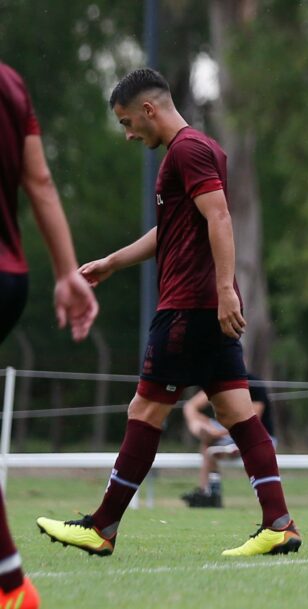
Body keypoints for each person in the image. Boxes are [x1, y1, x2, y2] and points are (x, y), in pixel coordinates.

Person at [35, 68, 300, 558]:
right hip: (203, 306)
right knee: (238, 414)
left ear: (149, 109)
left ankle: (103, 526)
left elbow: (219, 216)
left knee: (145, 411)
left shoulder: (187, 150)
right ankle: (279, 523)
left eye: (127, 122)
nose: (129, 134)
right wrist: (114, 262)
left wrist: (225, 291)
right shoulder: (197, 151)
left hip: (188, 307)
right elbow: (177, 229)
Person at [0, 60, 100, 609]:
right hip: (11, 277)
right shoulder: (13, 82)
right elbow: (39, 181)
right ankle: (11, 581)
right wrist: (67, 272)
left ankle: (12, 585)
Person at [180, 375, 276, 508]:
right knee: (206, 440)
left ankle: (210, 492)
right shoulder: (217, 381)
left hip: (258, 435)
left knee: (212, 447)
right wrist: (203, 428)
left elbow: (253, 422)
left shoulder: (253, 384)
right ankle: (208, 492)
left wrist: (221, 433)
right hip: (224, 432)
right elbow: (190, 406)